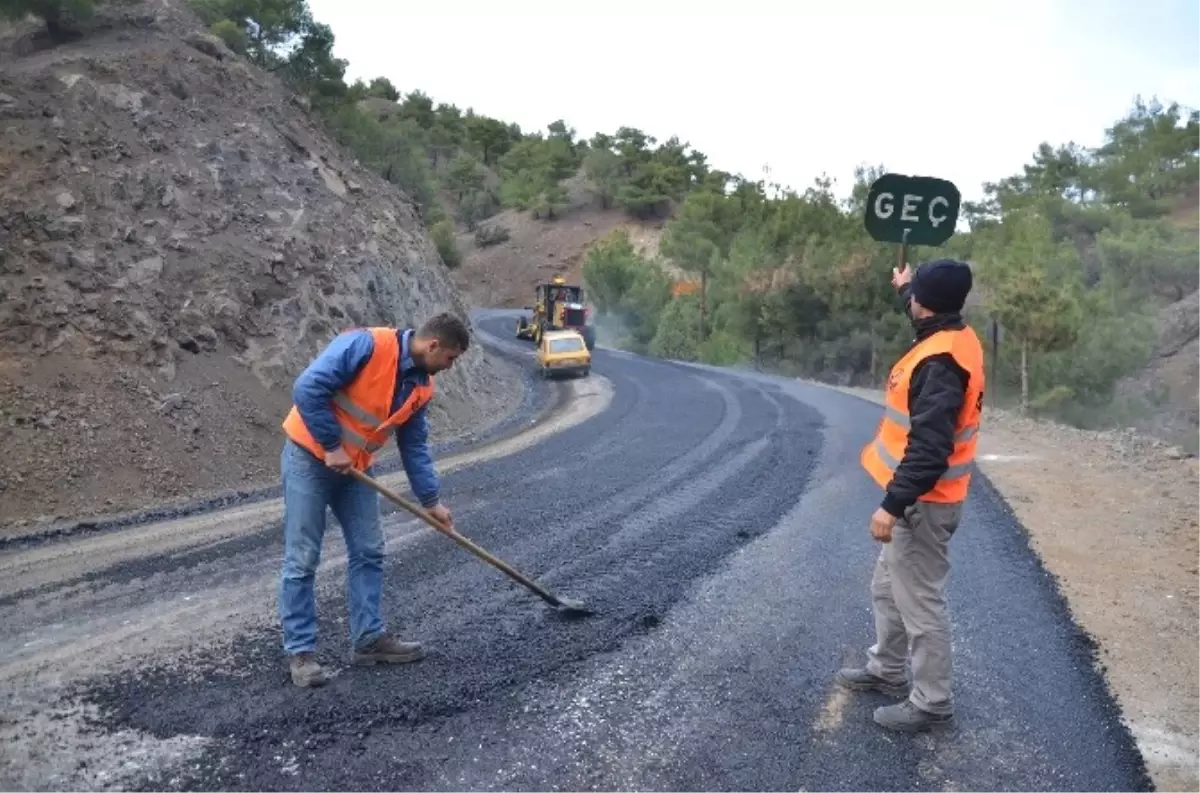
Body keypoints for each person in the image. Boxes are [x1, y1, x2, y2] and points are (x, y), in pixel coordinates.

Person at [277, 312, 470, 688]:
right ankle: (301, 653)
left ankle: (368, 640)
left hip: (356, 470)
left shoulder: (421, 387)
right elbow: (307, 388)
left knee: (369, 550)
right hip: (308, 458)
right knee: (302, 556)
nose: (450, 367)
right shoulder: (367, 345)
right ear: (433, 345)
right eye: (450, 358)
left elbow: (414, 446)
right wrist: (331, 445)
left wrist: (431, 500)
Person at [836, 258, 985, 732]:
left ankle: (932, 702)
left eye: (914, 292)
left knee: (920, 603)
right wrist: (904, 286)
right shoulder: (954, 334)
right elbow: (921, 308)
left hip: (925, 503)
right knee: (887, 589)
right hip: (924, 499)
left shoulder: (938, 363)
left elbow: (930, 449)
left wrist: (892, 505)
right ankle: (887, 669)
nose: (910, 299)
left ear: (926, 304)